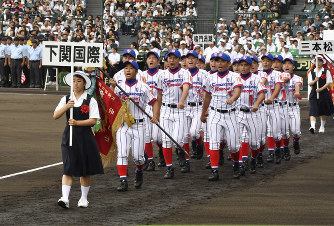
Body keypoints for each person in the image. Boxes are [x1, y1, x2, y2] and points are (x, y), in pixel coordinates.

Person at [53, 71, 104, 209]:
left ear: (84, 84)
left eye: (79, 81)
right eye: (74, 81)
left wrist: (77, 123)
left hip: (85, 137)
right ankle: (65, 198)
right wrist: (66, 106)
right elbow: (55, 115)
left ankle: (83, 198)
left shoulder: (90, 100)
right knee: (68, 166)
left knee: (84, 169)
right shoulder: (66, 99)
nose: (76, 84)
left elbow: (93, 121)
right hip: (69, 136)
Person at [109, 60, 160, 191]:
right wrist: (113, 87)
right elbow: (110, 101)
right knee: (123, 153)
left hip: (139, 125)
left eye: (131, 68)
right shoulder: (119, 86)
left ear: (136, 71)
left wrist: (155, 116)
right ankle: (123, 180)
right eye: (126, 68)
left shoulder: (143, 87)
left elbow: (154, 102)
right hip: (123, 125)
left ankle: (139, 171)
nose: (128, 70)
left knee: (138, 157)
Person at [200, 53, 243, 181]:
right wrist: (203, 112)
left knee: (234, 146)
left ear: (228, 64)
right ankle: (214, 170)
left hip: (231, 114)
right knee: (214, 142)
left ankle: (236, 165)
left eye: (222, 61)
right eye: (216, 61)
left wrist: (233, 98)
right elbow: (207, 96)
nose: (218, 63)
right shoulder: (210, 78)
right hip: (214, 113)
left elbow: (238, 91)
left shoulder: (235, 76)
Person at [155, 49, 192, 179]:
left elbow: (186, 88)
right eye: (169, 58)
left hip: (179, 110)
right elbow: (159, 95)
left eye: (174, 58)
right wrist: (157, 113)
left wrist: (182, 100)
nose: (171, 60)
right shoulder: (161, 75)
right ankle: (169, 168)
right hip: (165, 109)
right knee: (165, 140)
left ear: (179, 60)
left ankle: (181, 152)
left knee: (177, 139)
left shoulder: (185, 73)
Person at [236, 56, 266, 175]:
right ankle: (242, 162)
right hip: (238, 113)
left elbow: (262, 94)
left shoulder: (256, 78)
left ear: (250, 66)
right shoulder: (235, 78)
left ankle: (253, 159)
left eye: (245, 65)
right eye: (241, 65)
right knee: (241, 139)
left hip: (253, 113)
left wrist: (257, 103)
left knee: (254, 143)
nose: (243, 67)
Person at [141, 51, 165, 171]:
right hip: (145, 107)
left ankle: (161, 150)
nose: (151, 60)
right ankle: (150, 160)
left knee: (157, 138)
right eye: (149, 58)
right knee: (146, 136)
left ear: (158, 61)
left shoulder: (163, 73)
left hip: (158, 107)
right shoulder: (142, 75)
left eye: (154, 58)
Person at [184, 50, 207, 161]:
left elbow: (208, 92)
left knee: (194, 132)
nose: (191, 60)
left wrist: (206, 108)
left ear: (197, 60)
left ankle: (199, 143)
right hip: (186, 106)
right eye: (188, 58)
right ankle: (186, 158)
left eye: (193, 58)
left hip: (199, 106)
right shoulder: (183, 74)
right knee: (184, 135)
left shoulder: (204, 74)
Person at [261, 53, 284, 164]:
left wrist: (271, 97)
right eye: (263, 60)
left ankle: (278, 150)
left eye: (267, 60)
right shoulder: (258, 74)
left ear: (271, 62)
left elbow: (278, 87)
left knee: (275, 133)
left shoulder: (277, 74)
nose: (265, 62)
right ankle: (270, 152)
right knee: (262, 133)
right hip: (261, 107)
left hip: (274, 105)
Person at [282, 58, 302, 157]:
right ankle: (286, 149)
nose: (286, 65)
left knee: (296, 132)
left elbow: (298, 85)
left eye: (289, 64)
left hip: (293, 107)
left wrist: (297, 92)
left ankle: (296, 142)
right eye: (285, 64)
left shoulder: (297, 78)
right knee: (285, 133)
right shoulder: (278, 77)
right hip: (282, 108)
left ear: (293, 67)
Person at [308, 55, 333, 134]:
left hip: (324, 93)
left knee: (323, 111)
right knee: (313, 110)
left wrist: (321, 89)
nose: (318, 63)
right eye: (316, 61)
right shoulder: (311, 72)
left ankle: (322, 126)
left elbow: (328, 83)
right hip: (314, 94)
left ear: (322, 62)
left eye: (320, 61)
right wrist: (315, 81)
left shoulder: (326, 71)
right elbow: (310, 83)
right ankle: (312, 126)